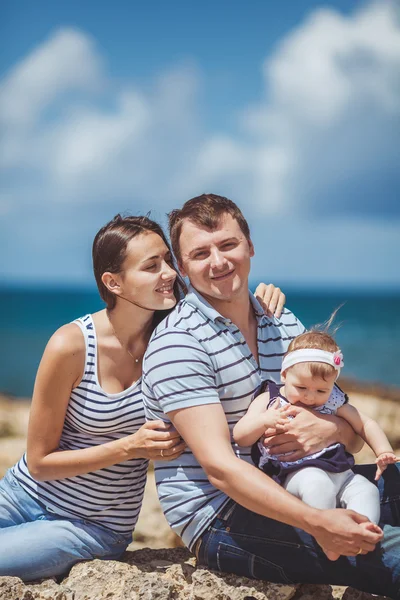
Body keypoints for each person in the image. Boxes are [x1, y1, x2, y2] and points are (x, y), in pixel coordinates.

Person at [0, 213, 284, 582]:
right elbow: (39, 461)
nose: (169, 272)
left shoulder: (178, 341)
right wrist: (130, 447)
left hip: (91, 527)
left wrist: (259, 296)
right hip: (21, 495)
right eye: (152, 266)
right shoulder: (71, 345)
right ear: (113, 282)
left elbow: (228, 303)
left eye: (168, 260)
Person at [142, 193, 400, 598]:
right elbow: (221, 469)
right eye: (200, 253)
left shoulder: (281, 322)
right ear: (182, 267)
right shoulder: (178, 343)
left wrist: (327, 428)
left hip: (301, 479)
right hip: (222, 515)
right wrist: (318, 522)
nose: (219, 262)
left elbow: (348, 430)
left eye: (228, 245)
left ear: (250, 246)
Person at [234, 328, 399, 560]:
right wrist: (263, 421)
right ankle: (328, 539)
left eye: (321, 390)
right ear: (284, 374)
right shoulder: (270, 399)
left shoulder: (333, 400)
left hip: (341, 472)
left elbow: (365, 424)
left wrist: (383, 451)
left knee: (366, 488)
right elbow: (240, 435)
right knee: (317, 484)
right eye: (301, 388)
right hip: (295, 475)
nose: (310, 397)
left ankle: (362, 532)